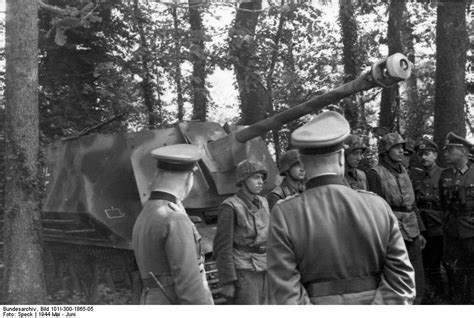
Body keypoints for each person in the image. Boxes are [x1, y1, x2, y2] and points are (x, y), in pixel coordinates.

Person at [267, 111, 415, 305]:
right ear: (340, 158)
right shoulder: (378, 206)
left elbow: (284, 292)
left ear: (303, 163)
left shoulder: (285, 213)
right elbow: (402, 281)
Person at [132, 144, 214, 305]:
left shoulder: (147, 213)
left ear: (159, 174)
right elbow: (190, 287)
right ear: (189, 178)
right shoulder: (175, 218)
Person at [367, 132, 426, 304]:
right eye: (396, 148)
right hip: (391, 229)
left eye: (402, 148)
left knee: (417, 273)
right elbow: (376, 207)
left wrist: (420, 231)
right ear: (385, 151)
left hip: (412, 228)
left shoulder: (405, 172)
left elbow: (412, 203)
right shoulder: (375, 174)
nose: (401, 151)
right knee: (395, 273)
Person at [213, 159, 270, 304]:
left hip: (266, 265)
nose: (261, 181)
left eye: (262, 177)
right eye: (255, 177)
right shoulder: (230, 206)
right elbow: (222, 247)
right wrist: (227, 281)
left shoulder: (264, 202)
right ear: (243, 180)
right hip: (244, 270)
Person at [439, 132, 474, 304]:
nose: (445, 154)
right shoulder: (444, 175)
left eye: (449, 150)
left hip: (471, 231)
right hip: (451, 230)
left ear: (462, 151)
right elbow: (443, 203)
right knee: (452, 267)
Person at [410, 138, 444, 302]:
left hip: (440, 226)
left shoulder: (444, 175)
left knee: (439, 263)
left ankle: (442, 295)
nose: (423, 157)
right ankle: (429, 297)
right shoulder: (416, 177)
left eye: (427, 154)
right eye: (421, 154)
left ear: (435, 155)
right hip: (422, 226)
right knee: (423, 264)